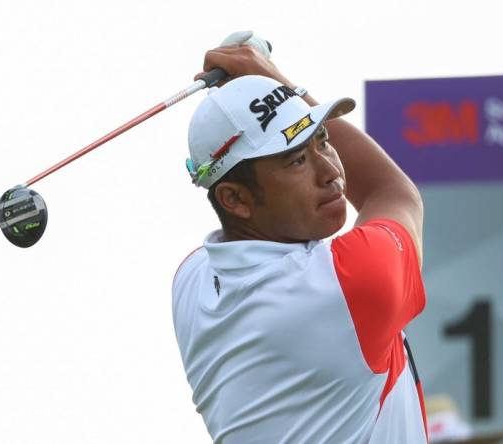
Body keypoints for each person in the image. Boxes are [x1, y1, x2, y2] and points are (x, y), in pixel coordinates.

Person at [172, 41, 427, 443]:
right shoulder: (348, 286)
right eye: (295, 160)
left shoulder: (192, 281)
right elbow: (391, 192)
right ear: (235, 199)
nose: (329, 171)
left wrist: (275, 99)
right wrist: (277, 80)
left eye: (322, 140)